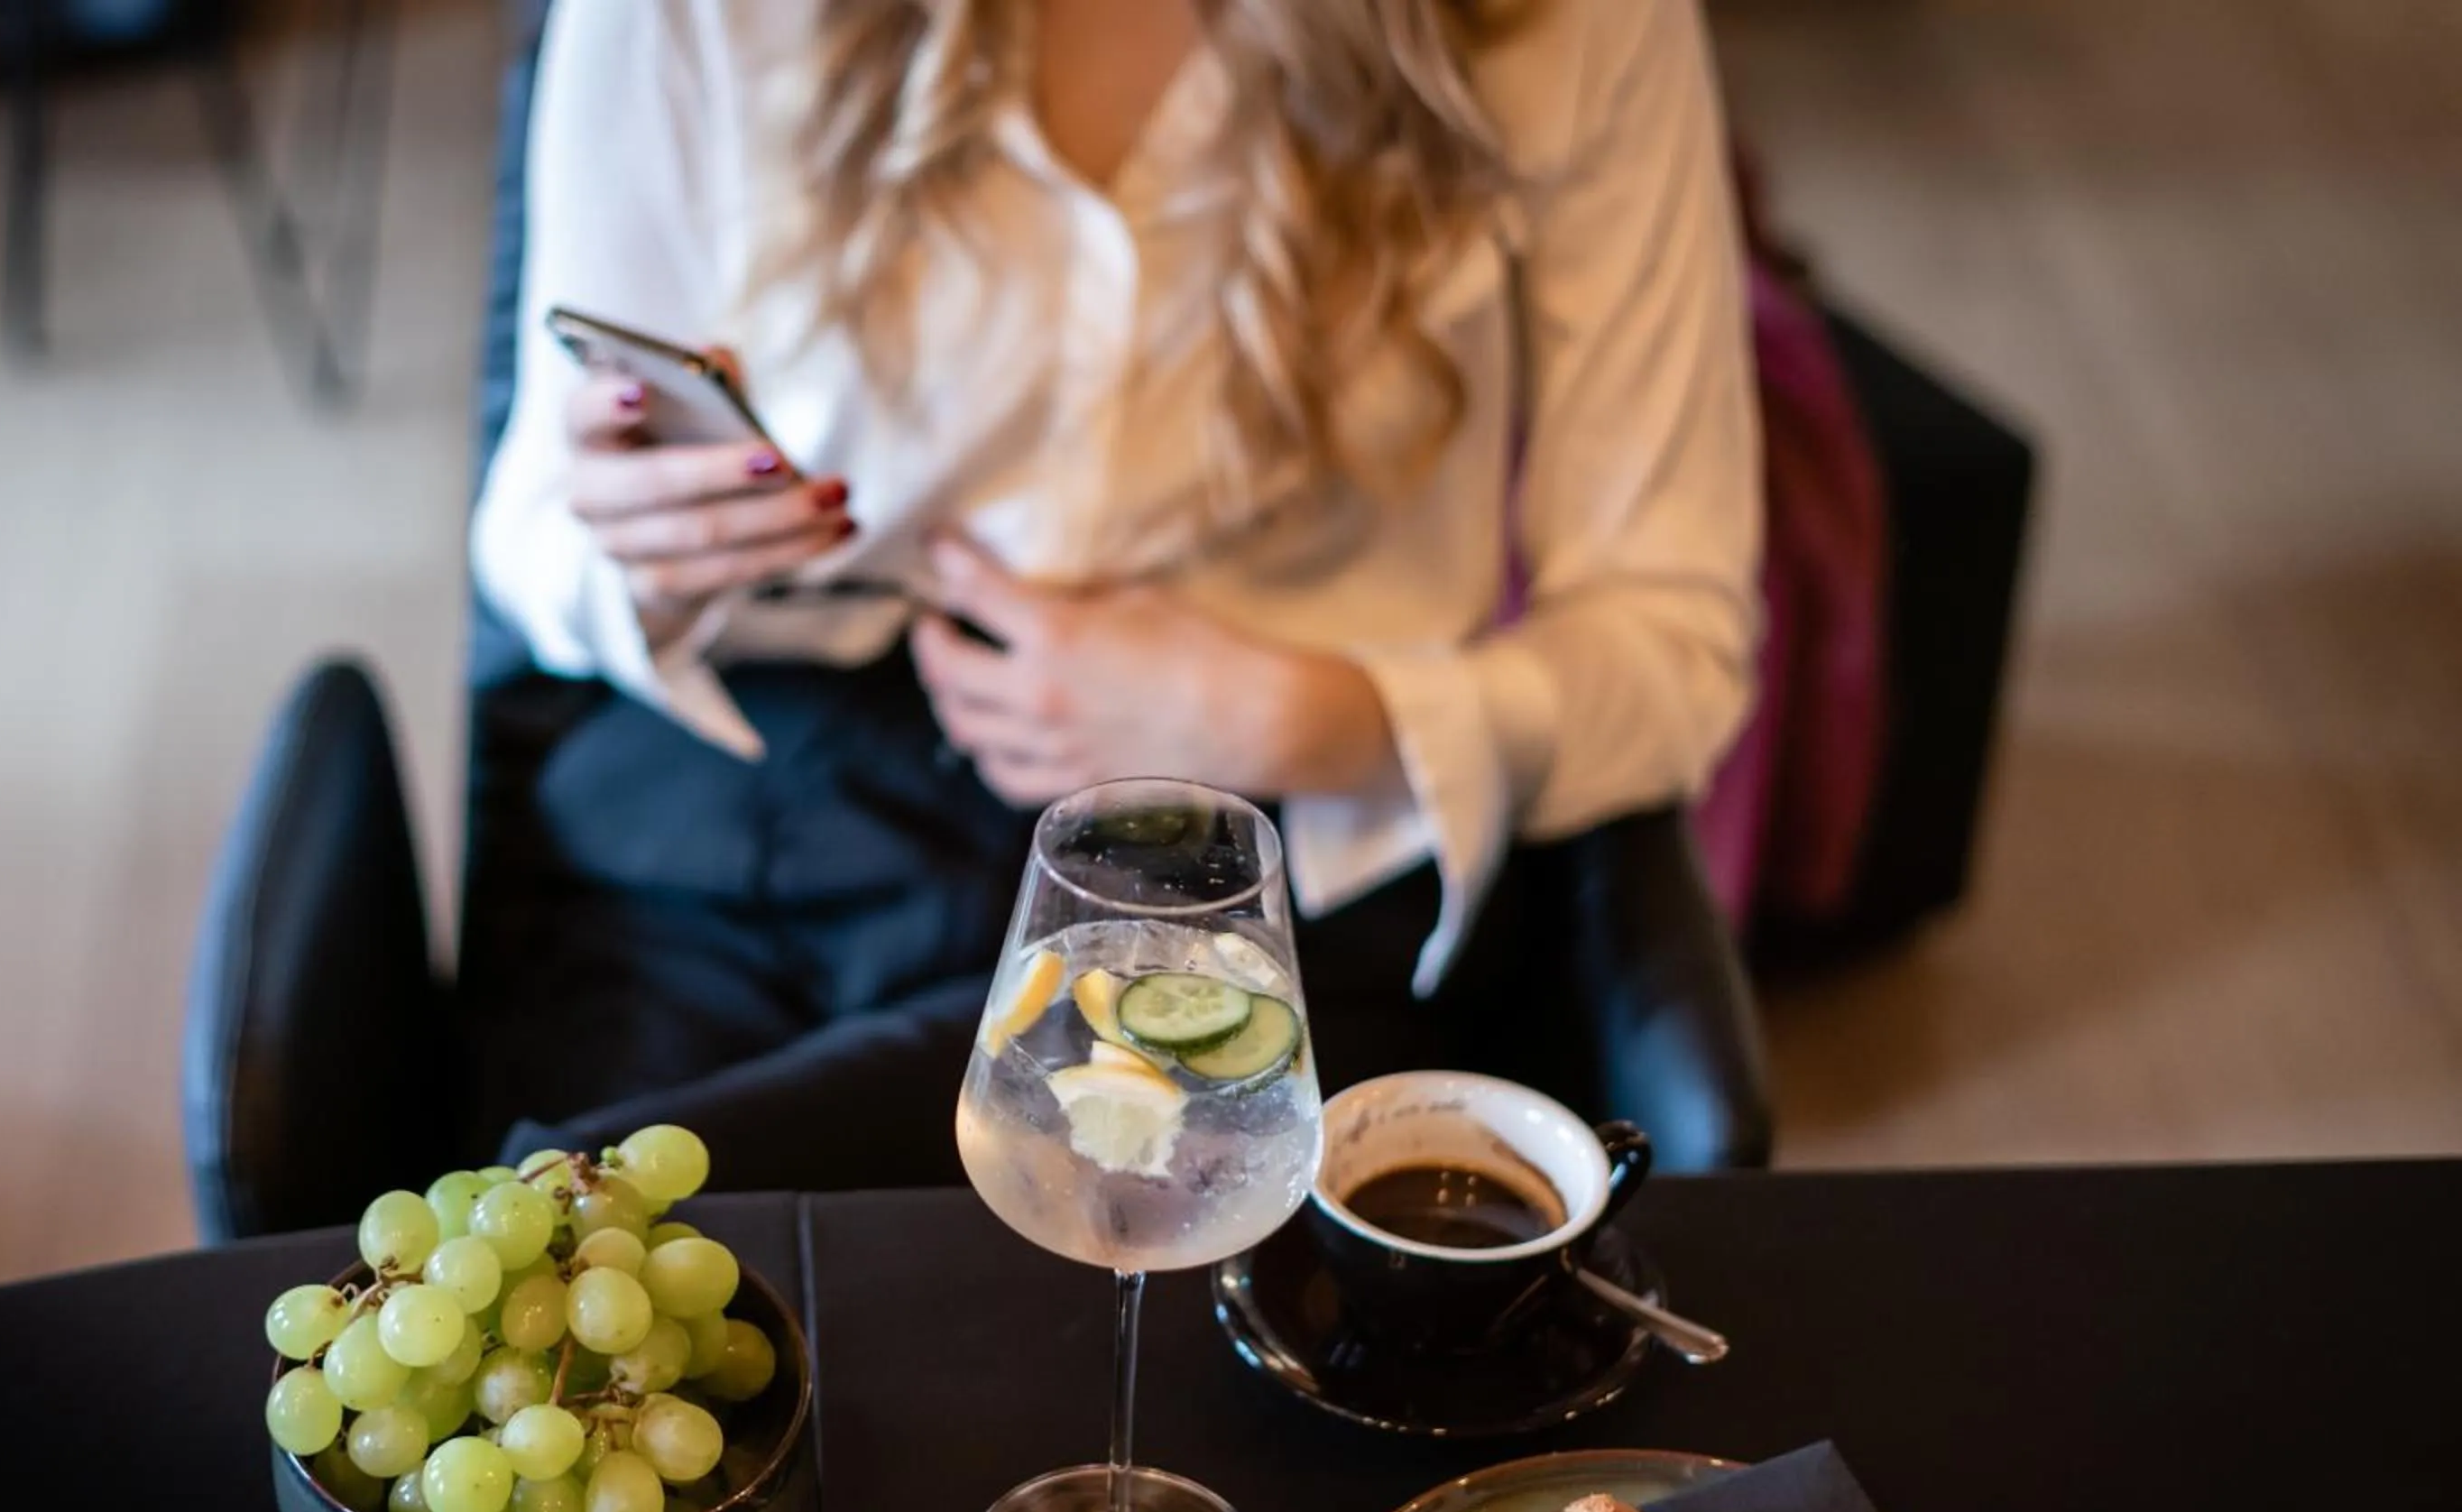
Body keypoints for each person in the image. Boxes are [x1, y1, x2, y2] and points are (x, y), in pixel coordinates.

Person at [466, 0, 1759, 1181]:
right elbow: (534, 538)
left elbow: (1674, 645)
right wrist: (631, 539)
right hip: (767, 806)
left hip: (1263, 856)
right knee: (631, 1271)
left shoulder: (1576, 29)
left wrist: (1313, 721)